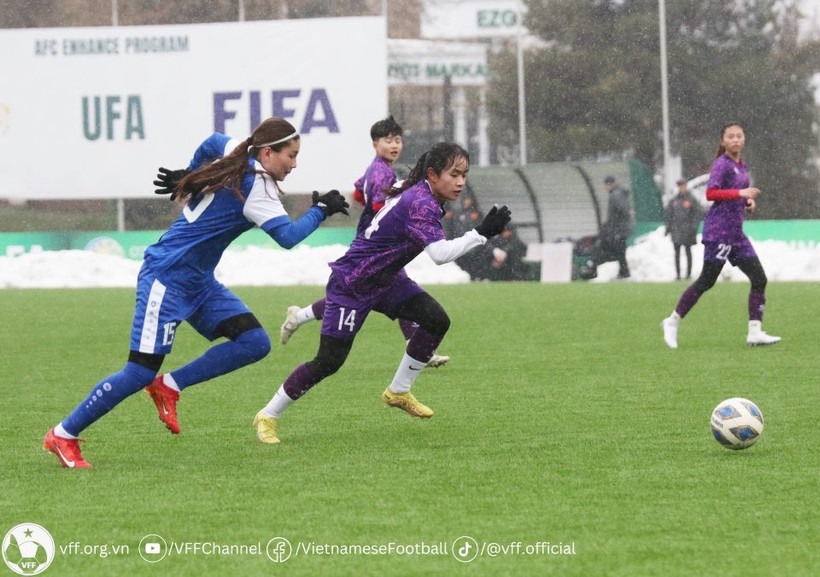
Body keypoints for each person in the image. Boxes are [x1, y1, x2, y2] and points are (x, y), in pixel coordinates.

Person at [42, 117, 349, 468]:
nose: (295, 164)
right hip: (167, 278)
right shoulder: (258, 188)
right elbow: (289, 238)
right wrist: (320, 210)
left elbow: (212, 140)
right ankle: (63, 434)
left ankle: (169, 385)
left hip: (198, 281)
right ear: (267, 152)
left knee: (253, 342)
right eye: (291, 155)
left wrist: (188, 176)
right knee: (138, 371)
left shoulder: (238, 150)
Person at [253, 142, 511, 444]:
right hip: (353, 283)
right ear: (432, 173)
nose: (460, 182)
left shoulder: (416, 188)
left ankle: (398, 391)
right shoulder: (421, 202)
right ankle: (268, 415)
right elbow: (440, 255)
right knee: (329, 361)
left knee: (435, 320)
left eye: (464, 175)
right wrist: (480, 234)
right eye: (454, 174)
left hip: (386, 279)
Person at [278, 116, 450, 367]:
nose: (394, 145)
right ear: (375, 144)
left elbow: (359, 191)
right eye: (388, 140)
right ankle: (419, 348)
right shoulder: (382, 172)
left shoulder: (376, 169)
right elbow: (382, 204)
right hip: (376, 247)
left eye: (398, 140)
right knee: (375, 294)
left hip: (375, 243)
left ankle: (299, 316)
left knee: (382, 291)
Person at [661, 122, 780, 349]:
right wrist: (740, 193)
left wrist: (747, 201)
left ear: (743, 140)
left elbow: (737, 194)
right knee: (707, 280)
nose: (735, 140)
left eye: (739, 136)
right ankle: (672, 321)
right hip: (719, 232)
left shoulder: (741, 166)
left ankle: (755, 333)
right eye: (730, 137)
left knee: (759, 278)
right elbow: (711, 193)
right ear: (723, 141)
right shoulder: (722, 164)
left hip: (736, 234)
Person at [587, 175, 634, 279]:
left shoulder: (615, 195)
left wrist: (612, 226)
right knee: (620, 251)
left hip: (619, 230)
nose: (606, 187)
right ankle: (624, 272)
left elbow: (622, 210)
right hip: (621, 229)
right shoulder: (621, 193)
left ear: (610, 184)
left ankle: (624, 272)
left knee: (619, 252)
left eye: (606, 185)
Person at [665, 178, 704, 280]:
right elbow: (669, 215)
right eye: (679, 186)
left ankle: (688, 274)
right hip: (676, 230)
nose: (681, 188)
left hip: (688, 230)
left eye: (682, 185)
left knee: (688, 251)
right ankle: (678, 274)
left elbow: (697, 213)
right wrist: (668, 228)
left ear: (686, 186)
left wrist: (693, 227)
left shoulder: (691, 199)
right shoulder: (674, 200)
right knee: (676, 253)